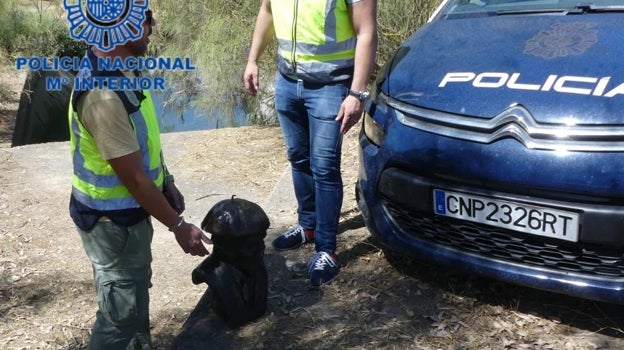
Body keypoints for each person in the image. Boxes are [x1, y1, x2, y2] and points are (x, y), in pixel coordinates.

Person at [68, 9, 210, 349]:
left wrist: (167, 179)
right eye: (146, 19)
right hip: (111, 224)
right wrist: (178, 226)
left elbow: (143, 137)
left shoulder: (124, 67)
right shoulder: (102, 94)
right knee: (118, 319)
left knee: (131, 300)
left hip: (128, 218)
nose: (152, 27)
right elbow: (132, 177)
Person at [243, 0, 378, 286]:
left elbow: (366, 32)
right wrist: (253, 59)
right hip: (288, 82)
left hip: (331, 86)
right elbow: (267, 10)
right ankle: (308, 226)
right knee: (298, 157)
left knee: (325, 166)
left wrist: (356, 93)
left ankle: (326, 249)